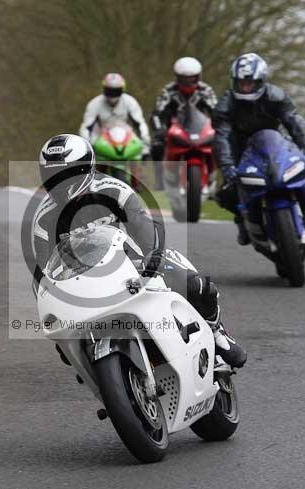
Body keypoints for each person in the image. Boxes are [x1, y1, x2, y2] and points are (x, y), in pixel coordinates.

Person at [31, 133, 246, 368]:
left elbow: (144, 225)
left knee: (195, 285)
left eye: (66, 174)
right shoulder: (44, 219)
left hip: (136, 263)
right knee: (68, 349)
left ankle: (217, 333)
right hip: (86, 282)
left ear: (86, 168)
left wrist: (151, 257)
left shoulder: (114, 190)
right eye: (52, 176)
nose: (59, 183)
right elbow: (43, 273)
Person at [212, 52, 305, 245]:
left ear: (260, 81)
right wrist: (226, 165)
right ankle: (242, 222)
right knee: (227, 192)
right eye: (241, 83)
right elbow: (221, 136)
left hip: (275, 143)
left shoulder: (276, 96)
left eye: (249, 83)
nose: (245, 87)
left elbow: (294, 121)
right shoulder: (226, 105)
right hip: (241, 148)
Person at [149, 57, 218, 165]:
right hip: (174, 132)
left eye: (192, 79)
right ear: (177, 77)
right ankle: (156, 174)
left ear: (198, 77)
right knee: (157, 145)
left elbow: (217, 111)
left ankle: (223, 175)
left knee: (222, 144)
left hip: (200, 131)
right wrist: (159, 130)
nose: (188, 82)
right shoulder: (168, 91)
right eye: (184, 79)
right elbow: (157, 113)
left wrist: (219, 127)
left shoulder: (205, 91)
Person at [79, 73, 151, 157]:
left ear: (122, 90)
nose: (113, 95)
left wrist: (145, 146)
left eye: (116, 91)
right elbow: (86, 127)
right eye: (110, 91)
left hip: (126, 138)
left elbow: (140, 123)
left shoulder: (130, 101)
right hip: (101, 140)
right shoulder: (94, 104)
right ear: (104, 89)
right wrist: (86, 149)